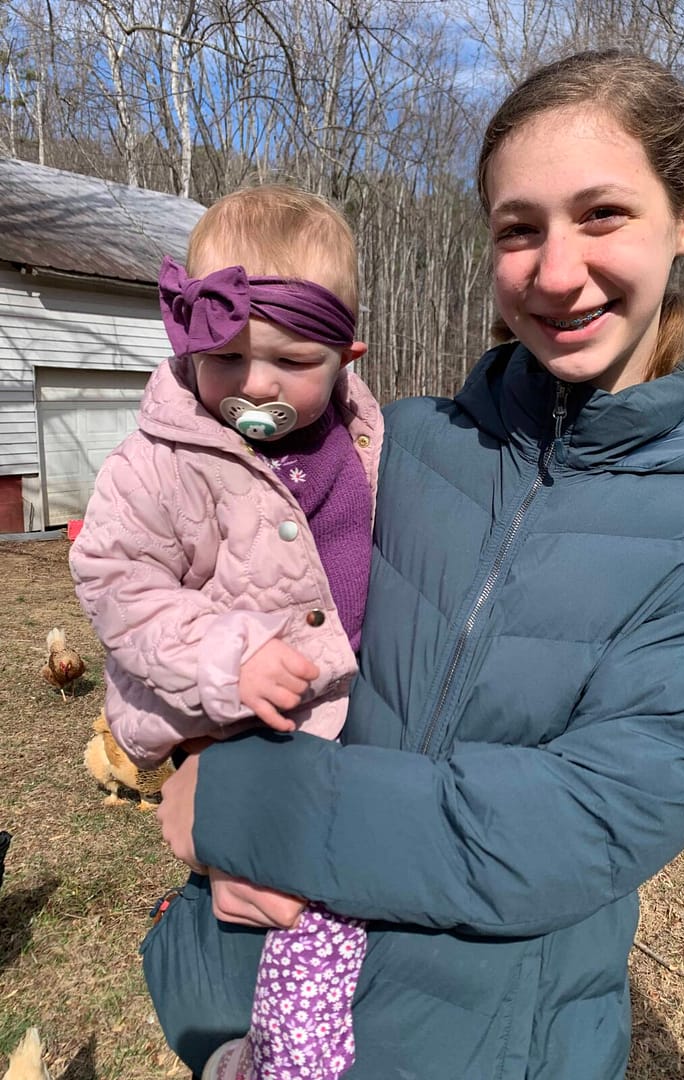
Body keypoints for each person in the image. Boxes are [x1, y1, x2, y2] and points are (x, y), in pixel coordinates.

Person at [152, 50, 684, 1080]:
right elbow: (196, 585)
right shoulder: (389, 446)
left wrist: (243, 807)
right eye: (519, 229)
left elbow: (580, 821)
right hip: (245, 1011)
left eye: (603, 215)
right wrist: (187, 765)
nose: (555, 272)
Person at [69, 184, 383, 1080]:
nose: (253, 383)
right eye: (228, 356)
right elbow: (113, 576)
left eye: (291, 359)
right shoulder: (163, 458)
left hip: (337, 730)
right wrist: (231, 655)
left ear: (347, 356)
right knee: (307, 916)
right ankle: (276, 1059)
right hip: (235, 721)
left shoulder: (366, 440)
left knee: (331, 902)